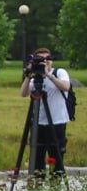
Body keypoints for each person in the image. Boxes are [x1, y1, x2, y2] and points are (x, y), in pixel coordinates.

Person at [20, 46, 71, 175]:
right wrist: (28, 74)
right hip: (39, 122)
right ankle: (38, 182)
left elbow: (66, 87)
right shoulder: (35, 77)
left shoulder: (59, 73)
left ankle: (56, 183)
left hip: (57, 121)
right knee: (38, 157)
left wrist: (49, 75)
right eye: (40, 59)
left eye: (47, 59)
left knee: (56, 155)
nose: (45, 62)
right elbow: (23, 93)